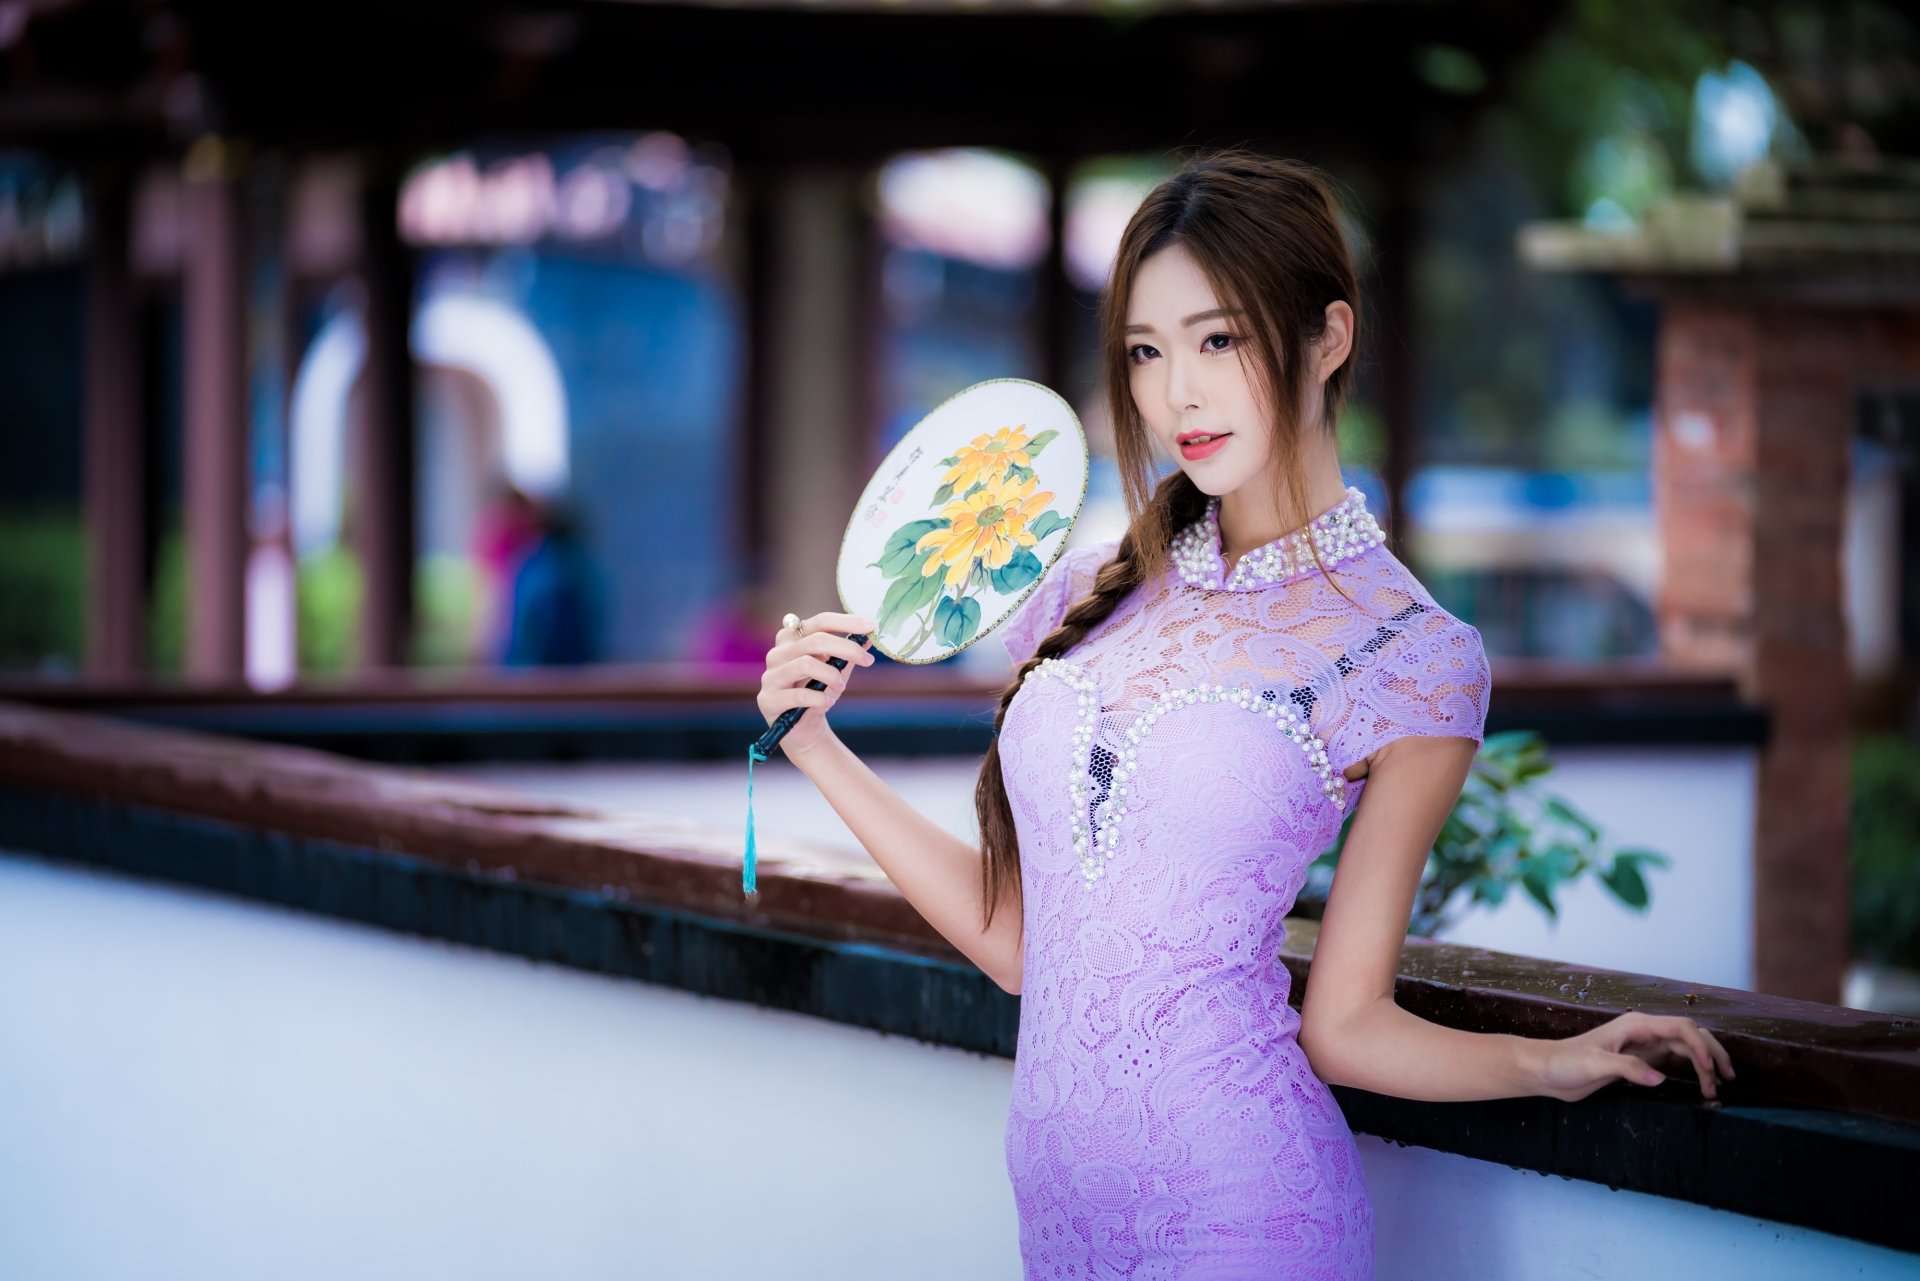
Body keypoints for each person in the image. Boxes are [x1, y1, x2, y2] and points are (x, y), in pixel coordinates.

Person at [754, 150, 1734, 1278]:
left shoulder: (1410, 654)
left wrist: (1552, 1063)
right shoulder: (1082, 598)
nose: (1179, 395)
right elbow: (1025, 945)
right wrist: (816, 744)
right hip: (1060, 1225)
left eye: (1218, 341)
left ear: (1328, 337)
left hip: (1248, 1215)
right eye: (1146, 351)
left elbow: (1346, 1022)